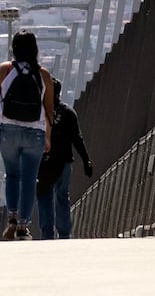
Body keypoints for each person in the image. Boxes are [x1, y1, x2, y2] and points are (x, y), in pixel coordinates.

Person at [0, 30, 53, 241]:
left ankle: (12, 217)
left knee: (12, 175)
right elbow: (49, 110)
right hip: (35, 132)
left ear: (13, 49)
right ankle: (23, 227)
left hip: (9, 131)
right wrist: (48, 136)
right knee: (29, 179)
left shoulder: (4, 71)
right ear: (35, 50)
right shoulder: (43, 75)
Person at [36, 77, 93, 240]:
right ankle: (64, 233)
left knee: (44, 195)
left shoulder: (38, 113)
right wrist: (86, 160)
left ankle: (47, 233)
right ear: (59, 93)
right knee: (62, 196)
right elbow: (77, 138)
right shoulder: (68, 113)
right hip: (64, 162)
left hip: (43, 164)